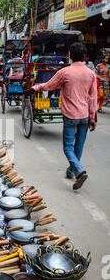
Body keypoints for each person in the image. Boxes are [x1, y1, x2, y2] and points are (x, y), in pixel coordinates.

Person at [32, 43, 97, 191]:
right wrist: (93, 118)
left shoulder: (65, 72)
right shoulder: (91, 74)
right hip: (85, 115)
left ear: (70, 56)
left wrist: (36, 87)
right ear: (84, 57)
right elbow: (93, 98)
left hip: (71, 115)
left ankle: (79, 171)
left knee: (68, 147)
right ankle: (71, 170)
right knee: (78, 145)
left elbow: (48, 86)